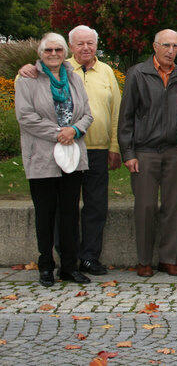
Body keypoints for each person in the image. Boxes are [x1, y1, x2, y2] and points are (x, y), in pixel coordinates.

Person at [17, 25, 122, 276]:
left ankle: (79, 262)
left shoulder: (92, 74)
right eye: (80, 44)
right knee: (53, 210)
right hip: (50, 152)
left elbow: (102, 112)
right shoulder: (35, 76)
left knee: (83, 208)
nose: (85, 48)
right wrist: (59, 132)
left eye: (91, 43)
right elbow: (25, 113)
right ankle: (55, 261)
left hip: (85, 151)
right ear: (70, 48)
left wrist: (108, 144)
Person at [15, 33, 93, 286]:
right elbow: (25, 117)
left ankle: (69, 267)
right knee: (45, 214)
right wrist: (59, 133)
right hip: (42, 156)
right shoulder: (27, 79)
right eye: (48, 50)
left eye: (58, 49)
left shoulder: (73, 78)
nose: (53, 54)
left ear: (64, 52)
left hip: (72, 155)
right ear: (40, 53)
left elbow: (87, 114)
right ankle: (46, 266)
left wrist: (75, 130)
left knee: (70, 213)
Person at [118, 29, 177, 277]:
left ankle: (168, 258)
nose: (171, 51)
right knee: (145, 206)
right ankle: (144, 260)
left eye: (175, 47)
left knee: (173, 206)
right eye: (166, 45)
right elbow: (126, 116)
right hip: (145, 150)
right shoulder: (137, 73)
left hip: (174, 151)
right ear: (155, 46)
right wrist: (128, 153)